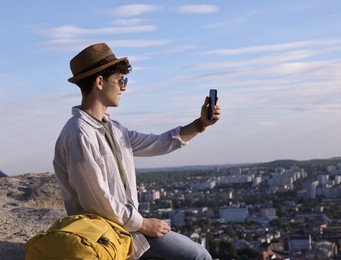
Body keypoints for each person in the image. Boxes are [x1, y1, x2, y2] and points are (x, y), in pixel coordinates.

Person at [53, 42, 220, 260]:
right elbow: (96, 201)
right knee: (199, 256)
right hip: (105, 236)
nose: (124, 87)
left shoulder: (114, 129)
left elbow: (159, 143)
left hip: (123, 228)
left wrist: (201, 124)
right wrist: (143, 224)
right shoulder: (79, 133)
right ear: (100, 82)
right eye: (120, 80)